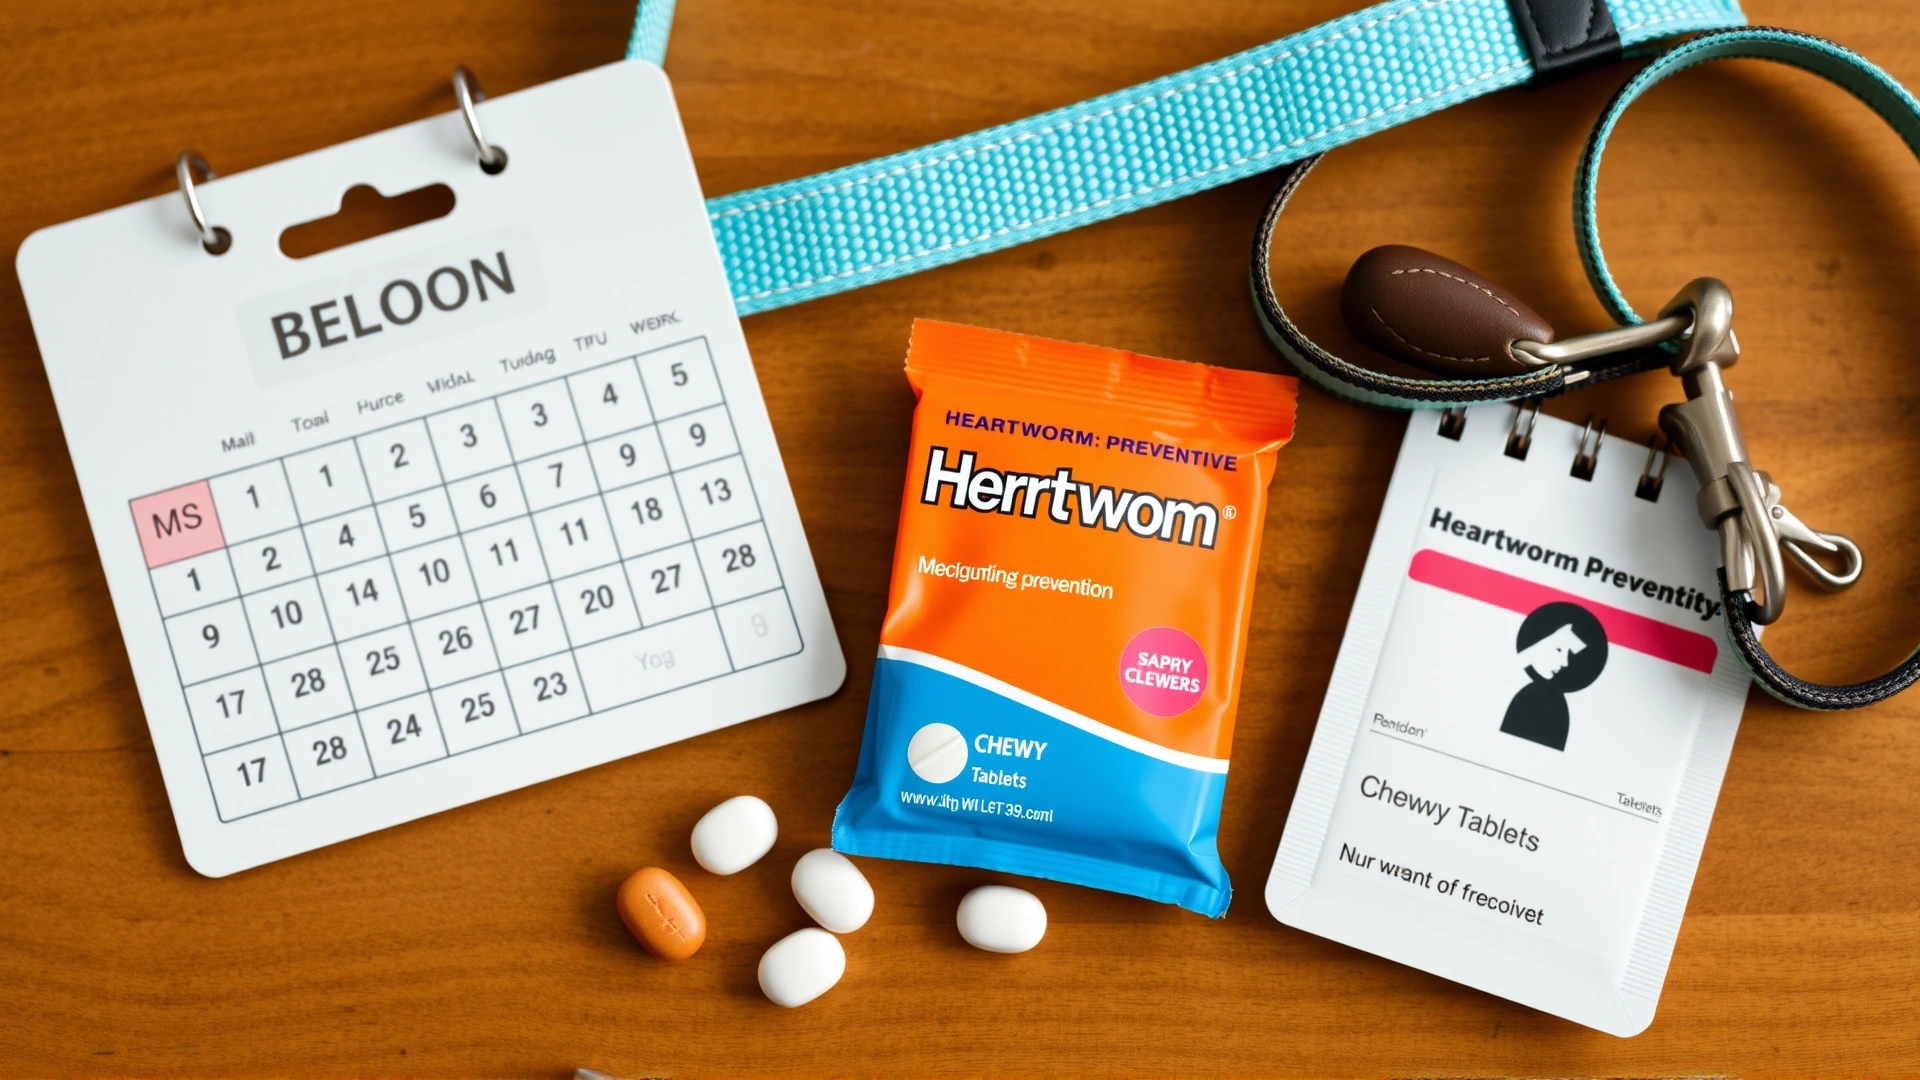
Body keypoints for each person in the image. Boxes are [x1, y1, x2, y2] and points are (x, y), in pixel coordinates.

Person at [1500, 601, 1608, 751]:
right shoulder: (1534, 697)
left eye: (1568, 654)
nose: (1564, 662)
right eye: (1559, 650)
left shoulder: (1553, 704)